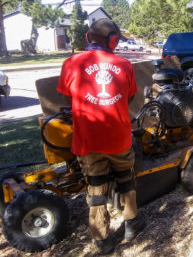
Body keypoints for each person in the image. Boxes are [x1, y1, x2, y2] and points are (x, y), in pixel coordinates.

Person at [57, 18, 144, 254]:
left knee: (96, 187)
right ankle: (131, 224)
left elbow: (67, 100)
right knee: (125, 178)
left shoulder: (71, 63)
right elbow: (128, 98)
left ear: (87, 37)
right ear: (114, 41)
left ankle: (101, 239)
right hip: (118, 138)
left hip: (88, 141)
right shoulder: (124, 65)